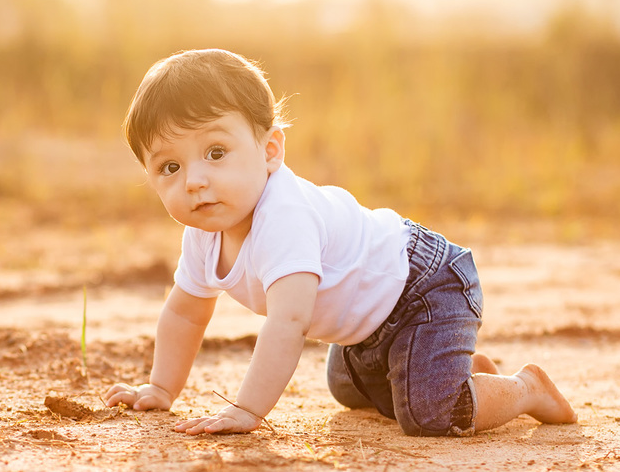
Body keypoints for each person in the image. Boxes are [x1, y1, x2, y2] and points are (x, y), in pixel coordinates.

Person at [103, 48, 576, 437]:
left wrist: (247, 410)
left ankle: (524, 387)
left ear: (270, 150)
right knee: (346, 388)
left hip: (424, 286)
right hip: (367, 322)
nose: (194, 182)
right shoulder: (203, 235)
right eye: (170, 167)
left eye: (216, 153)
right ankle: (459, 370)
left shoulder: (284, 217)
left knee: (429, 414)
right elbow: (186, 312)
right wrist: (162, 388)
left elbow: (289, 323)